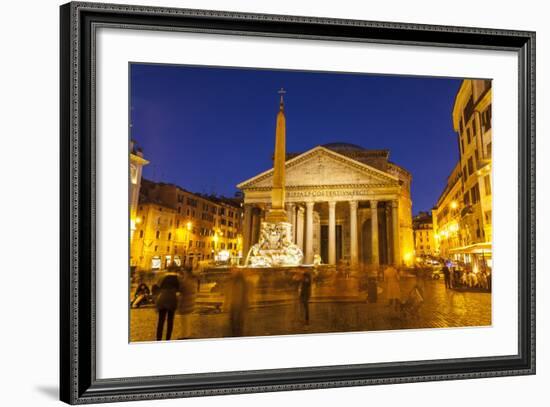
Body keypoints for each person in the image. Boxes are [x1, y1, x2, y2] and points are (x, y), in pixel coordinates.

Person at [155, 265, 181, 341]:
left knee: (161, 321)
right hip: (172, 299)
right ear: (175, 269)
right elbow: (180, 289)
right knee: (170, 321)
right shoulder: (178, 278)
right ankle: (167, 339)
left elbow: (157, 286)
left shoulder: (162, 277)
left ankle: (158, 339)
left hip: (162, 298)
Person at [225, 270, 250, 337]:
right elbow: (229, 293)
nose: (231, 271)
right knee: (234, 321)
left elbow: (244, 294)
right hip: (234, 304)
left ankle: (237, 334)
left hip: (239, 305)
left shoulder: (241, 282)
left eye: (233, 271)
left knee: (238, 321)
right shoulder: (233, 281)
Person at [177, 269, 197, 339]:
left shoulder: (186, 282)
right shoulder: (193, 281)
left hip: (185, 304)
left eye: (184, 273)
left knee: (184, 321)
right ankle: (187, 334)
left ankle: (184, 336)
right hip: (190, 303)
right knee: (187, 320)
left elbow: (180, 288)